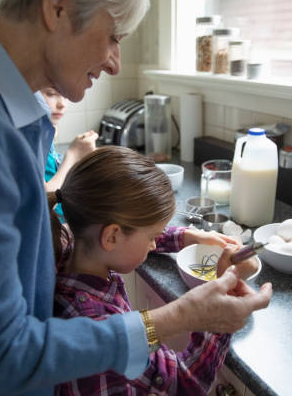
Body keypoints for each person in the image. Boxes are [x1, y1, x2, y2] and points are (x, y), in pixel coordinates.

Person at [0, 0, 272, 395]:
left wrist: (181, 236)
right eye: (113, 37)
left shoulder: (0, 110)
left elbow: (30, 227)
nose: (114, 61)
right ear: (58, 3)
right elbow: (1, 354)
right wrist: (183, 315)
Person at [50, 146, 260, 395]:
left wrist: (188, 237)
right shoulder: (98, 329)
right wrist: (220, 317)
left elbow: (126, 237)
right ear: (113, 236)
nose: (154, 243)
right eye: (153, 236)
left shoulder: (67, 244)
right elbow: (184, 382)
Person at [36, 87, 97, 193]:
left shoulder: (46, 132)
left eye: (65, 95)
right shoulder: (31, 138)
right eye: (51, 94)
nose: (62, 104)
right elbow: (45, 199)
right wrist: (72, 155)